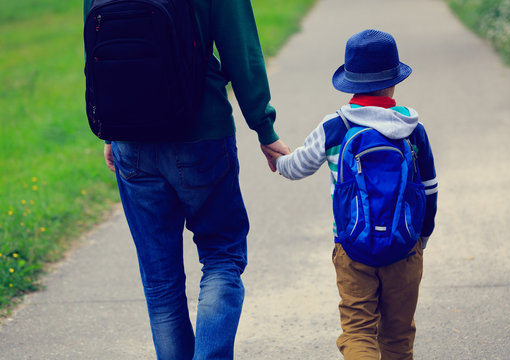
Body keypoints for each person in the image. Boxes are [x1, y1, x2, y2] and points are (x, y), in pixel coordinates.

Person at [83, 0, 290, 359]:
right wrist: (264, 128)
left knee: (161, 284)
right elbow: (241, 48)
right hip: (201, 133)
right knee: (222, 257)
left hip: (130, 138)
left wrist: (110, 132)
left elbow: (97, 47)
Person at [264, 29, 438, 359]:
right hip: (405, 249)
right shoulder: (414, 130)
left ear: (350, 82)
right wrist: (421, 237)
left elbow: (297, 167)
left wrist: (278, 159)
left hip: (353, 249)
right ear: (394, 81)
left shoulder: (336, 126)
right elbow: (429, 189)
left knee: (358, 330)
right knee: (399, 336)